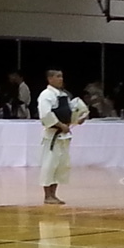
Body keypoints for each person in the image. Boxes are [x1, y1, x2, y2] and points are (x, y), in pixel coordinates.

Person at [38, 69, 84, 204]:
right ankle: (47, 195)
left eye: (61, 76)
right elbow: (45, 114)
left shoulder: (64, 95)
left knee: (60, 166)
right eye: (57, 76)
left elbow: (70, 112)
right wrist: (59, 125)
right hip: (52, 135)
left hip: (63, 136)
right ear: (50, 79)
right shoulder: (45, 95)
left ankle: (54, 194)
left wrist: (78, 119)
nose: (60, 79)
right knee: (49, 164)